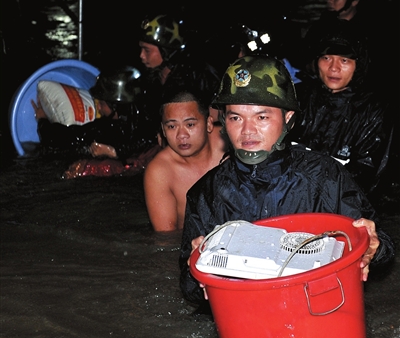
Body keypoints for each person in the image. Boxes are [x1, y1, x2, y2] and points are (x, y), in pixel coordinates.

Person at [178, 55, 395, 306]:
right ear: (224, 122)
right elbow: (190, 290)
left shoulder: (325, 177)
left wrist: (373, 247)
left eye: (262, 117)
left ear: (288, 118)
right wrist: (198, 270)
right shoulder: (206, 193)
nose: (247, 131)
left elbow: (382, 249)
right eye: (235, 117)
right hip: (245, 319)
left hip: (315, 313)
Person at [290, 21, 394, 198]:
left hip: (345, 203)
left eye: (344, 60)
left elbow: (366, 175)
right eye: (326, 58)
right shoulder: (298, 97)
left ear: (358, 65)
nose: (333, 68)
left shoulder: (372, 110)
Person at [143, 90, 227, 232]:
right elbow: (166, 239)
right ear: (163, 131)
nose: (181, 135)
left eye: (190, 125)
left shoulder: (231, 143)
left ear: (208, 123)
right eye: (172, 127)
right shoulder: (160, 171)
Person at [32, 68, 156, 163]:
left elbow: (59, 139)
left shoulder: (104, 129)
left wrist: (42, 120)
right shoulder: (149, 120)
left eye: (101, 103)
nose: (98, 107)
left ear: (116, 106)